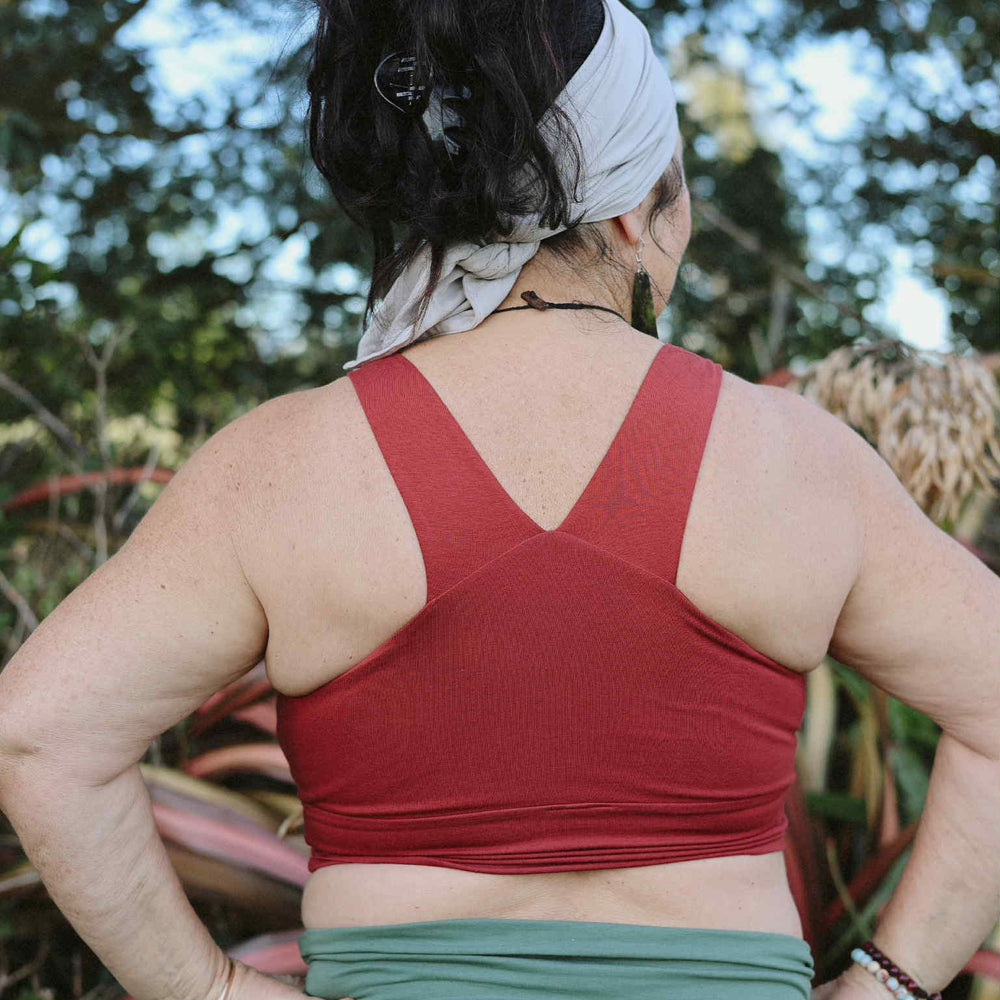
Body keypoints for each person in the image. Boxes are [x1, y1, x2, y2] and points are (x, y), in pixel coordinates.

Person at [0, 1, 996, 1000]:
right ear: (631, 212)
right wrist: (889, 985)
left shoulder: (280, 469)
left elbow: (39, 734)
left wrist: (211, 989)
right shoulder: (798, 462)